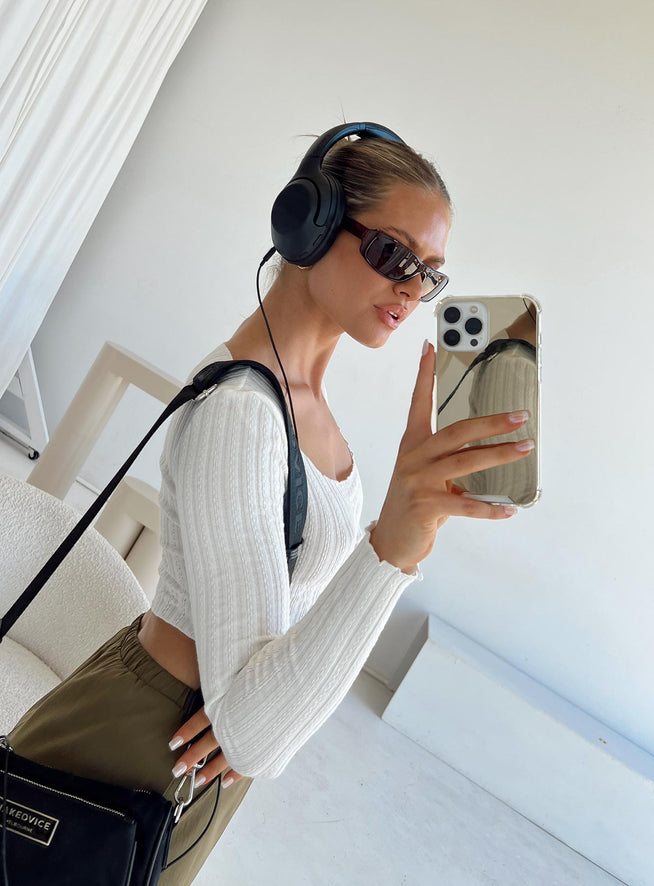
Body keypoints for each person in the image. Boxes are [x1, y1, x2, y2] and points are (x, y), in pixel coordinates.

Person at [8, 123, 534, 884]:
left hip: (198, 746)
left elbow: (268, 695)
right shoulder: (239, 415)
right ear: (309, 223)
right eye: (394, 255)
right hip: (142, 738)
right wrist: (394, 545)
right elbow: (254, 730)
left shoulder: (307, 404)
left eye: (430, 274)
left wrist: (264, 706)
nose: (413, 289)